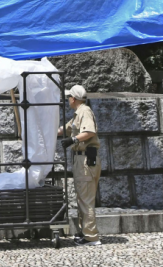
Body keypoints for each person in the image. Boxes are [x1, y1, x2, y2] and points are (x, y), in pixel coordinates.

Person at [58, 85, 102, 246]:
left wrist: (74, 140)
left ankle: (91, 237)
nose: (67, 99)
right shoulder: (78, 114)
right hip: (81, 160)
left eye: (69, 96)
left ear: (73, 98)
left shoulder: (85, 112)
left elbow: (89, 132)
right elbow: (65, 129)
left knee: (86, 199)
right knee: (83, 197)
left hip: (85, 160)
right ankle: (85, 233)